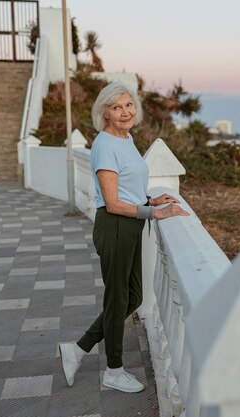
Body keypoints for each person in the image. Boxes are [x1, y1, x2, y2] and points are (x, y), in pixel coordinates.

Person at [58, 81, 189, 393]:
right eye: (117, 107)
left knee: (133, 297)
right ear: (105, 113)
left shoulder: (126, 139)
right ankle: (113, 370)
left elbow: (128, 188)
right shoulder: (104, 145)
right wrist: (153, 214)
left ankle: (77, 350)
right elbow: (113, 202)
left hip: (130, 225)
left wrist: (149, 200)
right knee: (117, 300)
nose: (125, 112)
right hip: (115, 226)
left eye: (129, 105)